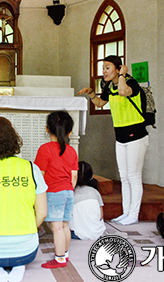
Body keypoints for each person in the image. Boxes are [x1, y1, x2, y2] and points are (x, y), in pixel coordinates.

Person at [0, 117, 48, 282]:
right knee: (20, 256)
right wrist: (24, 230)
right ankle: (19, 267)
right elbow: (42, 214)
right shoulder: (32, 169)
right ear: (13, 139)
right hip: (26, 248)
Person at [78, 55, 149, 226]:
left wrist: (123, 75)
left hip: (136, 135)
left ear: (119, 69)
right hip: (121, 136)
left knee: (133, 176)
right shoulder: (110, 86)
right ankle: (126, 212)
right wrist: (91, 93)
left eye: (108, 67)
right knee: (124, 176)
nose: (104, 71)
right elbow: (101, 103)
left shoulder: (130, 83)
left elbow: (124, 92)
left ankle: (134, 213)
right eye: (103, 68)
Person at [34, 111, 78, 269]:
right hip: (68, 192)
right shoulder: (72, 151)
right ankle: (65, 254)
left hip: (53, 193)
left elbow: (40, 174)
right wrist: (69, 190)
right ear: (70, 132)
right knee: (65, 225)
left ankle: (59, 258)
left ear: (47, 129)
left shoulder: (45, 149)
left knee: (56, 227)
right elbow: (74, 176)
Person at [69, 161, 106, 241]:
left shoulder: (71, 194)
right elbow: (101, 215)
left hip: (77, 234)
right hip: (97, 232)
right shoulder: (95, 192)